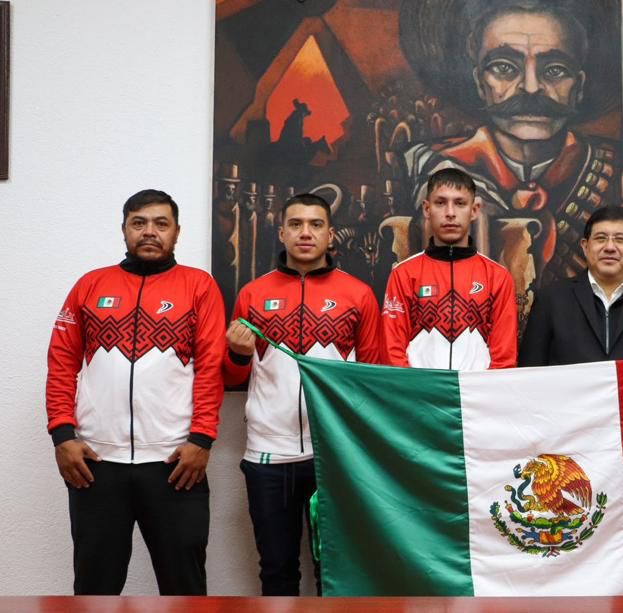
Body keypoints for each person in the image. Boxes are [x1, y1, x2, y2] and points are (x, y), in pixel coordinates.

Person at [398, 0, 623, 327]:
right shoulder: (429, 167)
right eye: (504, 67)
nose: (530, 87)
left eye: (554, 70)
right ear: (479, 82)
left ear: (578, 86)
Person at [45, 189, 225, 595]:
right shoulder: (90, 285)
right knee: (94, 588)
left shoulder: (199, 287)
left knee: (185, 588)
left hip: (174, 461)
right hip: (96, 462)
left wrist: (202, 439)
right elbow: (60, 363)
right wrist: (62, 435)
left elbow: (211, 369)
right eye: (138, 223)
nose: (149, 232)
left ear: (177, 232)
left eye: (161, 224)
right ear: (123, 229)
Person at [223, 193, 384, 595]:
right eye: (296, 224)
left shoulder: (358, 294)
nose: (305, 232)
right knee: (277, 570)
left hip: (334, 455)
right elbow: (231, 376)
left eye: (315, 224)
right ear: (281, 233)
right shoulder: (252, 295)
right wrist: (237, 354)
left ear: (330, 235)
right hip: (268, 455)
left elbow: (375, 375)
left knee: (334, 568)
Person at [381, 168, 517, 370]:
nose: (450, 213)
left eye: (460, 203)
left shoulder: (497, 277)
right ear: (427, 209)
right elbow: (392, 352)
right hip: (419, 397)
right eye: (440, 203)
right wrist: (410, 395)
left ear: (474, 210)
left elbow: (504, 359)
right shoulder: (404, 274)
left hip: (475, 398)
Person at [519, 205, 623, 365]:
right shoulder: (552, 300)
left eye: (620, 239)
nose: (609, 247)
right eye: (600, 238)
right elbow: (531, 371)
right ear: (585, 247)